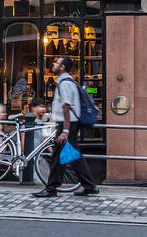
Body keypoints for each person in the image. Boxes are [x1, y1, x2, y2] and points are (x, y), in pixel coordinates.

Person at [32, 54, 98, 198]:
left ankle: (51, 189)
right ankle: (89, 185)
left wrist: (65, 130)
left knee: (58, 156)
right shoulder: (65, 82)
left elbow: (66, 107)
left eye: (56, 63)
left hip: (66, 125)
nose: (53, 64)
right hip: (66, 124)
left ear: (62, 67)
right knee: (71, 156)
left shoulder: (66, 83)